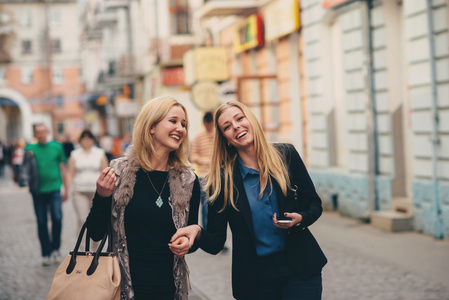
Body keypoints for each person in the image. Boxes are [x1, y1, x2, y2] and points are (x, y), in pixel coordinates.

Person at [171, 101, 328, 300]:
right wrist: (197, 231)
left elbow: (314, 204)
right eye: (227, 126)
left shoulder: (286, 155)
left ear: (251, 121)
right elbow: (216, 243)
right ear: (226, 139)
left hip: (300, 267)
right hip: (256, 279)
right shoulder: (221, 182)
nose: (236, 126)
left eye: (240, 118)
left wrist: (301, 218)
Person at [86, 96, 201, 300]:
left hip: (169, 288)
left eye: (184, 124)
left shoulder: (188, 180)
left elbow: (191, 235)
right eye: (173, 121)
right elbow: (95, 233)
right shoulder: (119, 173)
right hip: (124, 286)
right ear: (151, 127)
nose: (180, 128)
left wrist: (188, 243)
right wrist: (102, 196)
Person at [21, 124, 68, 266]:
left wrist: (66, 188)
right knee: (41, 222)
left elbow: (62, 168)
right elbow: (25, 168)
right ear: (35, 134)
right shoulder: (30, 149)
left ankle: (55, 249)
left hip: (54, 189)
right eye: (38, 132)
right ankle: (46, 253)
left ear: (47, 132)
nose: (41, 135)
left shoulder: (57, 147)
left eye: (43, 132)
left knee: (57, 218)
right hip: (37, 191)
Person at [66, 129, 108, 248]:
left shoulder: (99, 153)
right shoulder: (75, 154)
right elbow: (70, 173)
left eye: (89, 139)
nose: (87, 141)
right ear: (80, 141)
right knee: (83, 219)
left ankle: (96, 244)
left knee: (96, 218)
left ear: (92, 140)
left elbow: (105, 171)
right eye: (84, 139)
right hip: (79, 190)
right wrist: (66, 189)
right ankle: (84, 247)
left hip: (97, 192)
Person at [189, 111, 214, 229]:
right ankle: (206, 233)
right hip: (204, 177)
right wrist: (206, 160)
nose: (209, 127)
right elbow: (192, 157)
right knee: (206, 207)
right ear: (204, 123)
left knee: (219, 209)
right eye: (207, 124)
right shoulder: (198, 137)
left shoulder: (219, 136)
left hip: (218, 176)